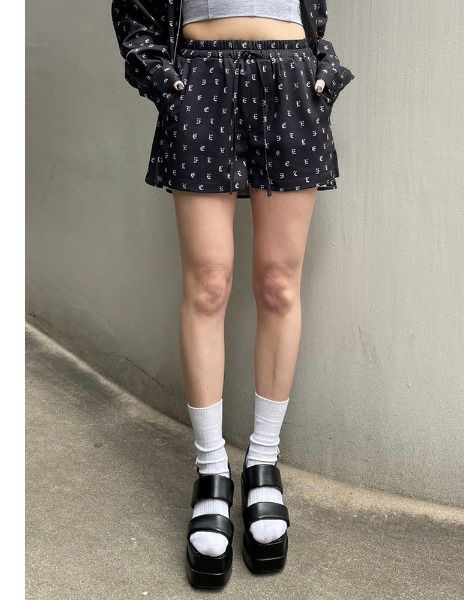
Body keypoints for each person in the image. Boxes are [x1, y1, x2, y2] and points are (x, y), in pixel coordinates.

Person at [111, 0, 354, 589]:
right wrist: (169, 83)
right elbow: (134, 11)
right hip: (201, 79)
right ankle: (211, 470)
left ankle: (264, 461)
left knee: (278, 284)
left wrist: (320, 67)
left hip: (290, 77)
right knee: (208, 285)